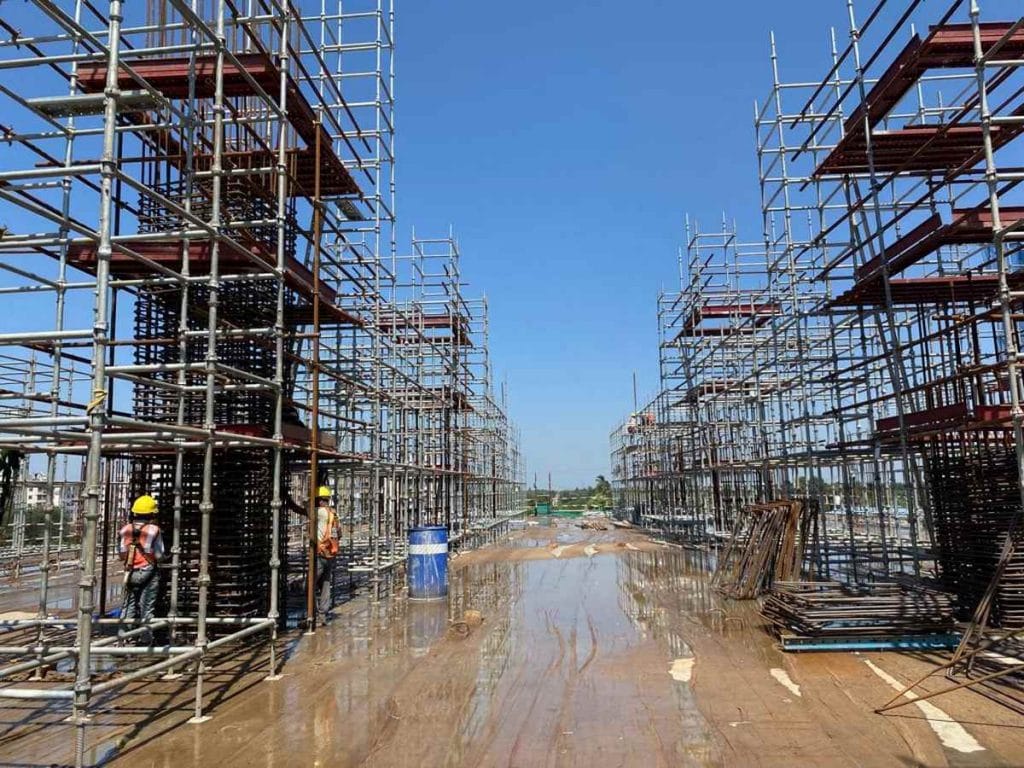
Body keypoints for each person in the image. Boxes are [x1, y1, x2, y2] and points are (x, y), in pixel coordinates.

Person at [118, 494, 165, 641]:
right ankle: (145, 639)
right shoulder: (154, 530)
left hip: (130, 573)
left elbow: (121, 555)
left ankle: (124, 638)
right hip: (148, 571)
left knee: (128, 605)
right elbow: (159, 555)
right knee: (146, 607)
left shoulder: (125, 530)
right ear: (152, 514)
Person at [314, 485, 340, 620]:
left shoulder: (319, 512)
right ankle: (323, 614)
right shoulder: (333, 514)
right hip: (330, 554)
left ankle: (312, 613)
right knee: (325, 584)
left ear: (319, 500)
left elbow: (302, 509)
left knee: (308, 585)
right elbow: (339, 534)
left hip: (320, 553)